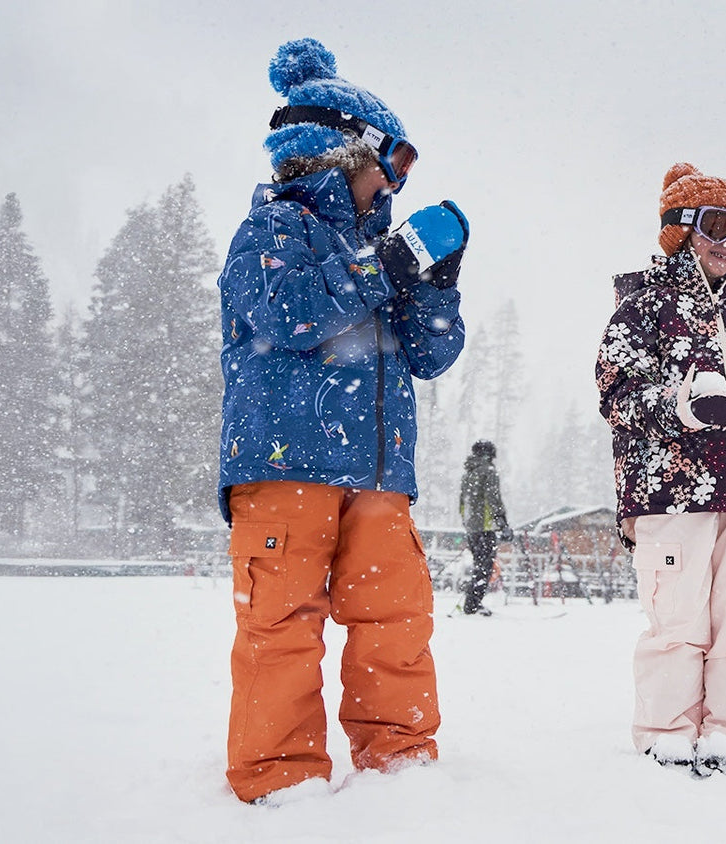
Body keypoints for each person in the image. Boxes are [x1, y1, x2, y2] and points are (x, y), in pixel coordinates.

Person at [217, 39, 469, 805]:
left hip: (381, 472)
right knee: (283, 620)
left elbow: (432, 354)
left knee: (395, 615)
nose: (393, 181)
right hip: (286, 463)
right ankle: (278, 777)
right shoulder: (272, 231)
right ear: (338, 152)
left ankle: (400, 764)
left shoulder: (374, 248)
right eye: (389, 163)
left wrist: (433, 283)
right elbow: (289, 313)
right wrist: (385, 265)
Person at [595, 163, 726, 776]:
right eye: (719, 226)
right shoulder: (646, 306)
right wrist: (678, 408)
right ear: (681, 228)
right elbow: (616, 393)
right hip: (669, 493)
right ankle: (667, 732)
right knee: (678, 620)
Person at [459, 439, 511, 616]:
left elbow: (462, 503)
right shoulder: (488, 471)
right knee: (485, 567)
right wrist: (502, 522)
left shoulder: (468, 474)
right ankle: (472, 605)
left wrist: (468, 524)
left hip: (472, 528)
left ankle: (471, 603)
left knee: (479, 565)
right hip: (485, 527)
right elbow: (493, 498)